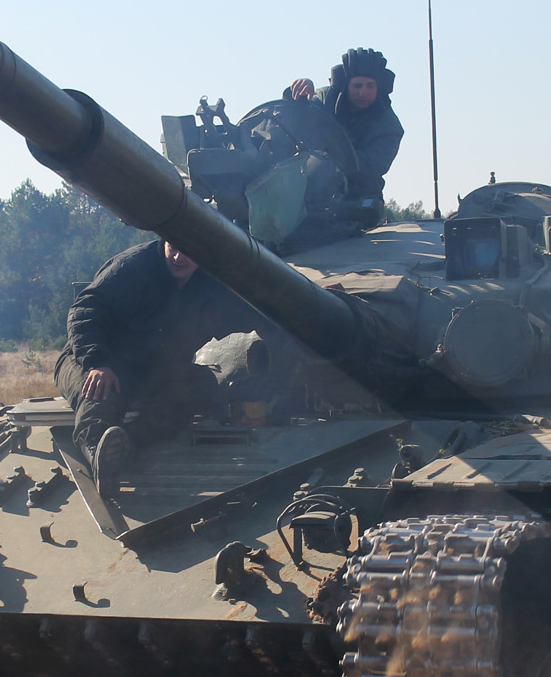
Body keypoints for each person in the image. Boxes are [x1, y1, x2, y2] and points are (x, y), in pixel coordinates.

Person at [53, 239, 267, 497]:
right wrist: (96, 362)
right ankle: (98, 454)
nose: (179, 257)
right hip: (93, 359)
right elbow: (85, 309)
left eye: (188, 250)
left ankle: (126, 444)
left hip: (149, 369)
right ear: (163, 240)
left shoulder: (212, 285)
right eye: (173, 247)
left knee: (200, 384)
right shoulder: (132, 267)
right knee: (99, 392)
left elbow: (257, 316)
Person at [286, 48, 405, 205]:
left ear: (379, 88)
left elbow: (369, 166)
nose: (363, 92)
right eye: (357, 86)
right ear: (346, 86)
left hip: (357, 194)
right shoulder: (324, 100)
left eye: (370, 86)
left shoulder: (389, 126)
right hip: (308, 187)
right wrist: (299, 99)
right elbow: (294, 123)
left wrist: (328, 156)